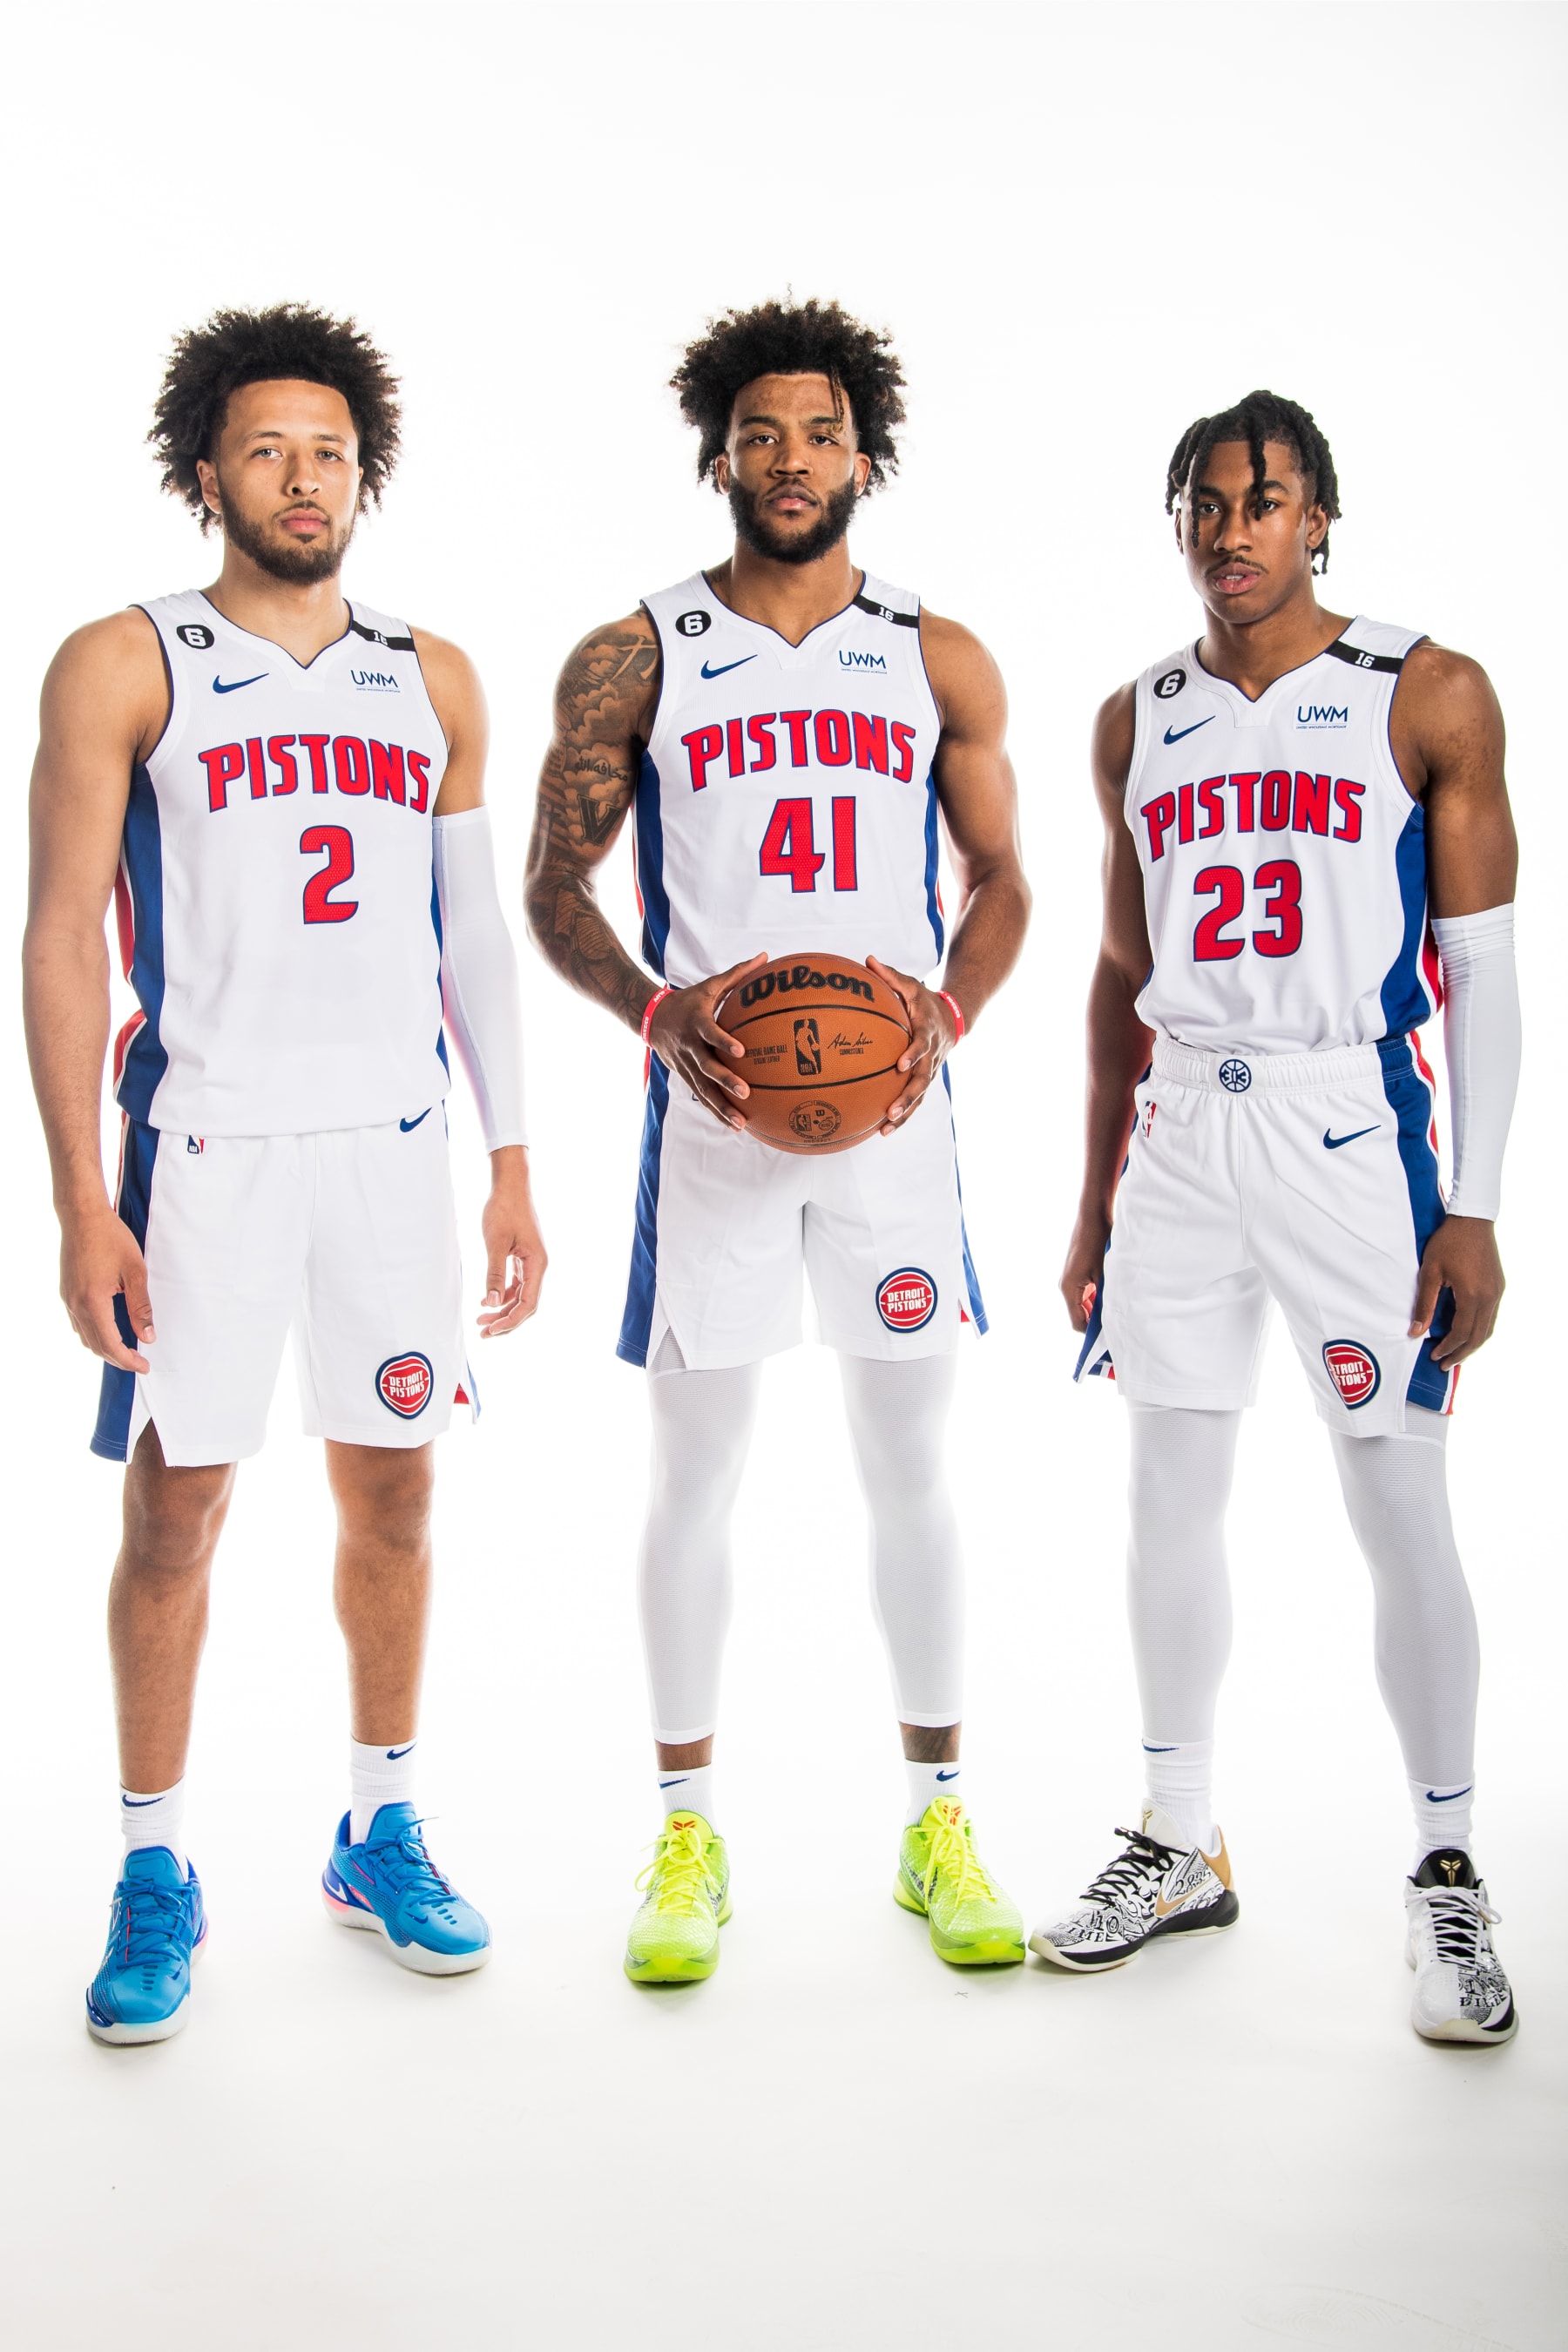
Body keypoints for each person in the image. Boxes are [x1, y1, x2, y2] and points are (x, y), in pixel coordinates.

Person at [24, 304, 544, 2043]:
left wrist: (513, 1164)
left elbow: (474, 937)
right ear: (207, 474)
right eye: (267, 451)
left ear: (363, 475)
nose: (303, 479)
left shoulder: (433, 674)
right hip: (205, 1154)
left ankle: (378, 1828)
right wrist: (79, 1198)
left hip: (393, 1151)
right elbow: (60, 938)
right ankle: (153, 1864)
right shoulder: (125, 661)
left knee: (395, 1496)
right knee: (177, 1512)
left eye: (329, 452)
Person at [525, 299, 1031, 1980]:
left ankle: (939, 1821)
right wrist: (658, 1012)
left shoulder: (937, 654)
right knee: (697, 1476)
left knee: (912, 1469)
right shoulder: (640, 652)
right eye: (760, 436)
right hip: (717, 1122)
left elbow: (1005, 882)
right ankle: (686, 1837)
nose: (790, 460)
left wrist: (947, 1016)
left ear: (864, 456)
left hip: (896, 1126)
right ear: (719, 458)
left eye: (819, 433)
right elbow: (554, 884)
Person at [1035, 390, 1520, 2044]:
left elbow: (1483, 973)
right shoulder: (1137, 716)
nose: (1232, 530)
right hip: (1181, 1129)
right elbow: (1120, 972)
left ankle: (1447, 1869)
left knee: (1398, 1497)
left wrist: (1476, 1207)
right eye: (1208, 503)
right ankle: (1179, 1838)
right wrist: (1094, 1198)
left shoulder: (1423, 689)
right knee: (1168, 1489)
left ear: (1320, 517)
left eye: (1266, 500)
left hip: (1346, 1130)